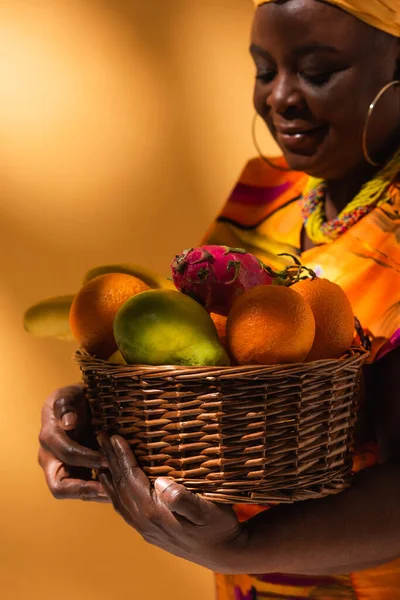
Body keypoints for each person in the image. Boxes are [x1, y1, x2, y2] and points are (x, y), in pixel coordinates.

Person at [38, 1, 400, 598]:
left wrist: (246, 546)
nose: (279, 97)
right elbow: (205, 378)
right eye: (264, 70)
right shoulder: (265, 195)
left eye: (316, 70)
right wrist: (96, 421)